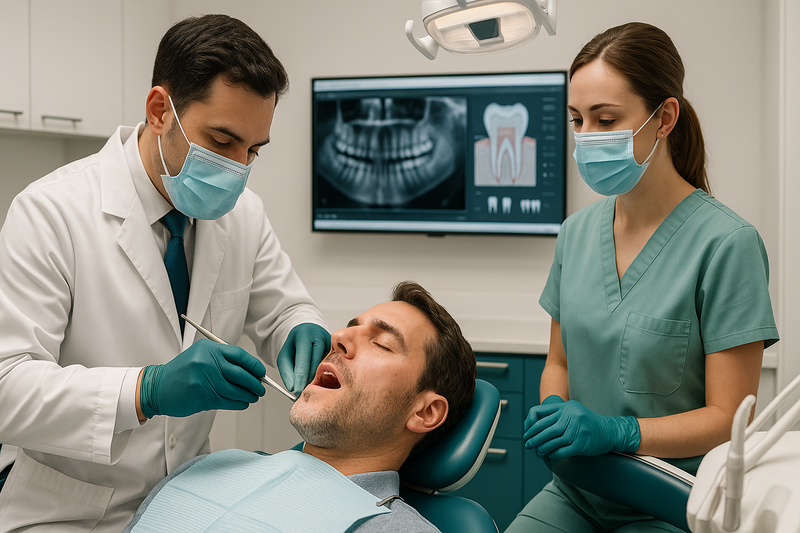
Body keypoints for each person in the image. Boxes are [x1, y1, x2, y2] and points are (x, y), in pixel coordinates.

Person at [0, 14, 331, 532]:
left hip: (186, 500)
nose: (238, 169)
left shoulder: (243, 215)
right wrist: (146, 390)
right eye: (221, 141)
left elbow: (284, 308)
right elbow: (7, 388)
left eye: (253, 150)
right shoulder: (50, 212)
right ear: (160, 111)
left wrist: (300, 327)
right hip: (67, 509)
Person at [506, 22, 779, 532]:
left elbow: (727, 420)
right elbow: (559, 362)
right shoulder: (575, 233)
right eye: (577, 120)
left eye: (606, 119)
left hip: (669, 500)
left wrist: (619, 431)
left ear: (664, 118)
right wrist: (554, 410)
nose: (587, 137)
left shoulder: (727, 244)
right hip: (577, 489)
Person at [121, 281, 477, 532]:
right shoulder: (203, 469)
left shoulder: (394, 528)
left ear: (425, 412)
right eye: (350, 327)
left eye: (382, 343)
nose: (338, 337)